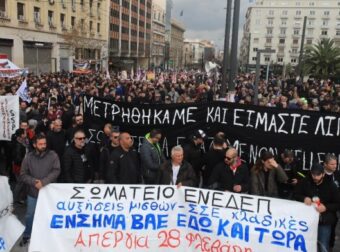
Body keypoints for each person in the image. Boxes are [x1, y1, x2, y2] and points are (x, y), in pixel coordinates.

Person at [19, 133, 60, 246]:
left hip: (48, 193)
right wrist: (34, 182)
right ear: (34, 144)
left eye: (45, 143)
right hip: (33, 192)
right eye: (40, 144)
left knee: (49, 215)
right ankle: (27, 235)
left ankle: (48, 236)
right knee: (30, 215)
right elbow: (22, 174)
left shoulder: (53, 155)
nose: (43, 146)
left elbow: (56, 170)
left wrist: (44, 182)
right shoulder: (28, 157)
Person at [294, 163, 340, 252]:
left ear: (323, 174)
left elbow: (338, 203)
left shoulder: (331, 185)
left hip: (324, 220)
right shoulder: (305, 182)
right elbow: (295, 194)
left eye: (318, 175)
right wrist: (303, 198)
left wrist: (326, 207)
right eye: (313, 174)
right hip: (307, 221)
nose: (315, 177)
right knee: (305, 243)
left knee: (323, 244)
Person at [323, 154, 340, 250]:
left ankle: (330, 247)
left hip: (333, 208)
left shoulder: (337, 175)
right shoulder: (319, 174)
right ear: (325, 164)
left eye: (336, 164)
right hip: (320, 207)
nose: (335, 166)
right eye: (332, 164)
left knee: (332, 230)